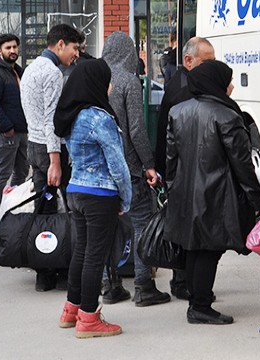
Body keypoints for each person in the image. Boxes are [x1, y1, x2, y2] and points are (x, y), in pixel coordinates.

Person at [165, 60, 260, 325]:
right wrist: (255, 197)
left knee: (195, 246)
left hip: (185, 192)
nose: (231, 86)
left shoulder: (177, 111)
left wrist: (172, 189)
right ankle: (200, 305)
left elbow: (171, 159)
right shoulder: (228, 115)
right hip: (216, 194)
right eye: (228, 80)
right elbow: (242, 164)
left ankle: (197, 300)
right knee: (210, 249)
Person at [54, 59, 131, 338]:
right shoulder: (99, 117)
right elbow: (118, 165)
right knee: (95, 258)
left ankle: (71, 311)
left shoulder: (72, 114)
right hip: (100, 194)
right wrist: (126, 198)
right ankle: (89, 319)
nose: (110, 86)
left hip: (76, 190)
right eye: (107, 80)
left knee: (82, 253)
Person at [100, 31, 171, 307]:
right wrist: (149, 164)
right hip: (129, 167)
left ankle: (110, 285)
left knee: (107, 226)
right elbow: (137, 131)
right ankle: (143, 285)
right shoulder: (129, 81)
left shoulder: (98, 78)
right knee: (142, 222)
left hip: (102, 169)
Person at [20, 24, 83, 292]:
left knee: (44, 208)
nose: (76, 54)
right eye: (74, 47)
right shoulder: (53, 72)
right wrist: (56, 161)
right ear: (60, 44)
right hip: (50, 149)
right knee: (69, 208)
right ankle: (68, 266)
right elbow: (51, 121)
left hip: (33, 146)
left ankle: (43, 271)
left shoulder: (31, 68)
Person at [156, 36, 215, 300]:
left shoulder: (184, 82)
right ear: (189, 61)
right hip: (184, 170)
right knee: (187, 229)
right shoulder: (185, 89)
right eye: (207, 62)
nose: (212, 68)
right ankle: (184, 283)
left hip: (182, 169)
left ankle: (186, 281)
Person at [0, 34, 29, 210]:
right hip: (4, 133)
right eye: (8, 48)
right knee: (3, 174)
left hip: (20, 130)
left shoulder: (16, 70)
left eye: (15, 47)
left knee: (22, 171)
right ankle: (1, 210)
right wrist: (6, 127)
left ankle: (13, 206)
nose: (12, 50)